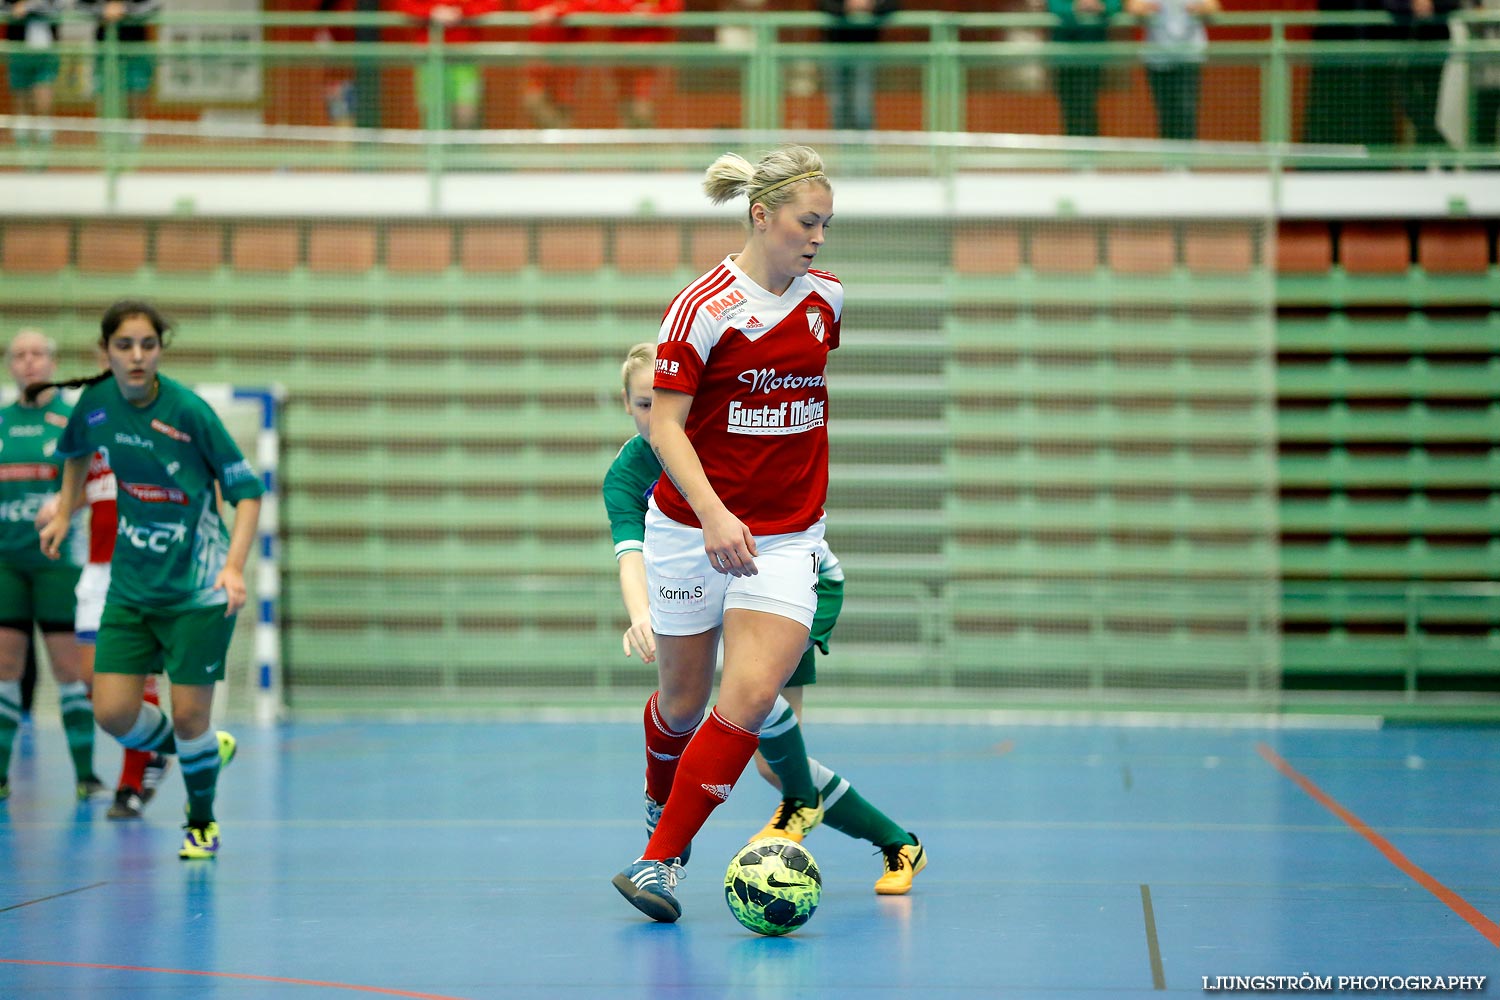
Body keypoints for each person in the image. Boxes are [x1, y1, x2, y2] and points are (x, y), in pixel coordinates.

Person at [607, 145, 897, 924]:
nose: (820, 238)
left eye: (828, 224)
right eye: (809, 221)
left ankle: (659, 863)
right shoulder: (702, 307)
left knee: (753, 692)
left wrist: (765, 517)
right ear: (761, 215)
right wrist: (713, 514)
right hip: (689, 529)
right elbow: (664, 425)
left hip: (786, 538)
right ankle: (659, 809)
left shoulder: (826, 299)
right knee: (680, 701)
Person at [605, 343, 926, 901]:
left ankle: (768, 817)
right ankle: (898, 841)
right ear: (625, 407)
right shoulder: (630, 472)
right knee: (769, 762)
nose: (654, 415)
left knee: (752, 714)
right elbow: (630, 551)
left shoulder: (717, 443)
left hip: (799, 579)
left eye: (664, 401)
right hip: (709, 572)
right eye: (641, 404)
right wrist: (640, 615)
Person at [35, 300, 262, 860]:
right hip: (131, 586)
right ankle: (202, 751)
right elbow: (75, 453)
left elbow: (247, 492)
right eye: (124, 345)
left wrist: (233, 568)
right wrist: (66, 511)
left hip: (197, 591)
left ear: (160, 349)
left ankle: (201, 820)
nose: (136, 356)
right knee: (114, 713)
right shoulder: (95, 403)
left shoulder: (189, 412)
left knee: (189, 717)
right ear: (104, 352)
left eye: (147, 345)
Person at [37, 374, 171, 820]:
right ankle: (156, 748)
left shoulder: (155, 435)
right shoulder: (91, 440)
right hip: (98, 573)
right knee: (97, 684)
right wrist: (58, 509)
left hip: (141, 571)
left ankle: (130, 783)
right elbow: (77, 492)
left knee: (136, 680)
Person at [0, 330, 104, 802]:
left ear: (53, 360)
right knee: (5, 666)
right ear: (9, 365)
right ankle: (1, 776)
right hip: (7, 565)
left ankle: (86, 774)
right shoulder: (0, 423)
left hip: (58, 563)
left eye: (38, 354)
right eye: (19, 355)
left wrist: (66, 507)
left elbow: (96, 481)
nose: (29, 363)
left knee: (69, 668)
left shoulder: (73, 418)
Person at [396, 0, 495, 131]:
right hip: (429, 54)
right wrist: (431, 12)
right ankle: (434, 148)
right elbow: (405, 6)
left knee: (466, 109)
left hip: (465, 53)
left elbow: (489, 5)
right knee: (433, 108)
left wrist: (461, 12)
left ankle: (463, 148)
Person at [1126, 0, 1217, 141]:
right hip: (1158, 58)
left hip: (1189, 57)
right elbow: (1133, 7)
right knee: (1166, 113)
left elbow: (1213, 7)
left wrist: (1199, 8)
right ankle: (1169, 159)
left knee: (1186, 111)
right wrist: (1147, 8)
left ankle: (1184, 160)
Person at [76, 0, 159, 135]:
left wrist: (124, 9)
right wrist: (103, 10)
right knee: (105, 95)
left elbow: (154, 5)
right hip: (105, 49)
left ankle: (134, 137)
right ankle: (107, 138)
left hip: (135, 48)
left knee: (136, 94)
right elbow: (79, 5)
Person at [818, 0, 899, 131]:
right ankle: (840, 146)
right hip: (836, 47)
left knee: (862, 102)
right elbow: (824, 5)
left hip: (866, 48)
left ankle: (864, 147)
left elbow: (892, 5)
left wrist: (870, 5)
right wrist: (846, 6)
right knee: (838, 104)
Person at [600, 0, 681, 128]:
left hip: (652, 52)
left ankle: (646, 135)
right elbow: (605, 9)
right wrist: (631, 13)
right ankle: (627, 135)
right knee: (624, 102)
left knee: (644, 104)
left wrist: (648, 13)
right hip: (620, 52)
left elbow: (672, 9)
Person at [1049, 0, 1121, 137]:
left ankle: (1090, 152)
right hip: (1064, 57)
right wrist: (1076, 7)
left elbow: (1115, 6)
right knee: (1070, 109)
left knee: (1087, 107)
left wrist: (1101, 7)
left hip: (1093, 56)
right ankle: (1074, 150)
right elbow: (1055, 7)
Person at [4, 0, 62, 148]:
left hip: (46, 50)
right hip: (19, 47)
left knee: (44, 88)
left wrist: (29, 6)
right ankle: (23, 127)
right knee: (20, 91)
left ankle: (44, 126)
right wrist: (14, 8)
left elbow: (59, 7)